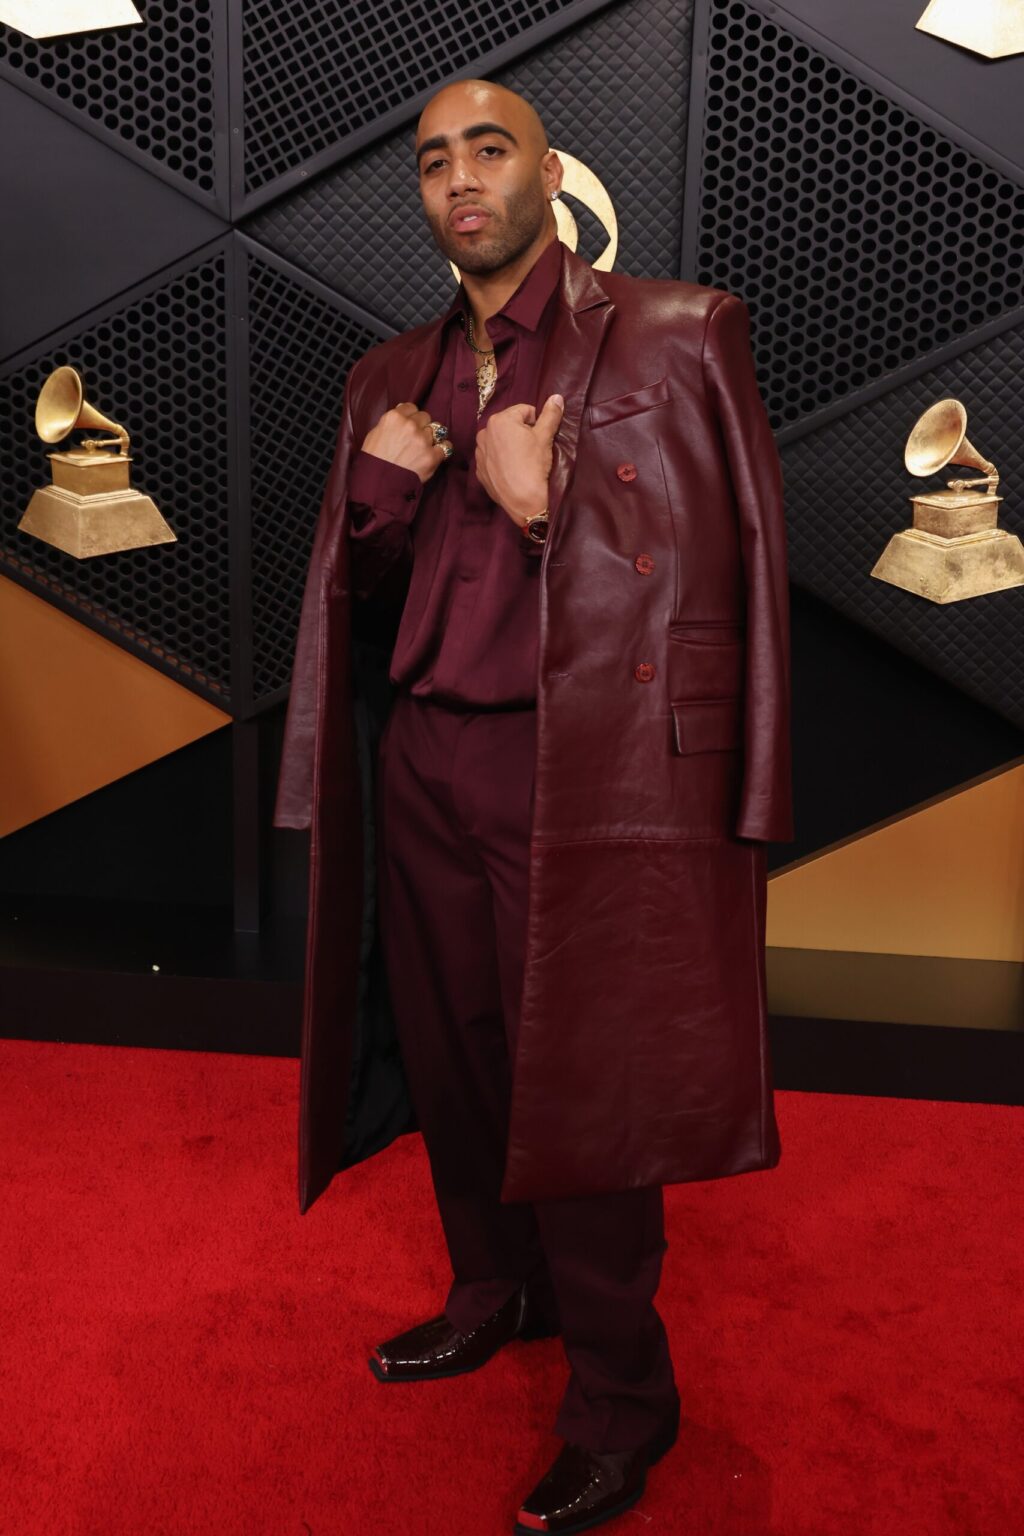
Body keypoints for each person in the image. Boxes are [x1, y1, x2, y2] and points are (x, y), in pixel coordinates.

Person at [274, 77, 794, 1536]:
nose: (460, 178)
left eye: (487, 149)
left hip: (580, 774)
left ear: (548, 173)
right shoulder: (387, 371)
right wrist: (379, 494)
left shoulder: (678, 333)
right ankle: (500, 1291)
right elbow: (357, 599)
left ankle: (629, 1399)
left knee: (587, 1084)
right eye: (434, 160)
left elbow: (728, 572)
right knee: (455, 1057)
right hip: (424, 762)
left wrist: (540, 499)